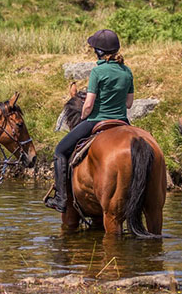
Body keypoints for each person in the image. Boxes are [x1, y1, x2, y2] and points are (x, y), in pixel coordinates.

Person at [45, 29, 134, 212]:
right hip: (122, 122)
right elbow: (129, 103)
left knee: (60, 151)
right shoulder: (127, 71)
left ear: (99, 51)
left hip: (97, 120)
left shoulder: (98, 71)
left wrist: (84, 116)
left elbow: (88, 105)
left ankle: (61, 199)